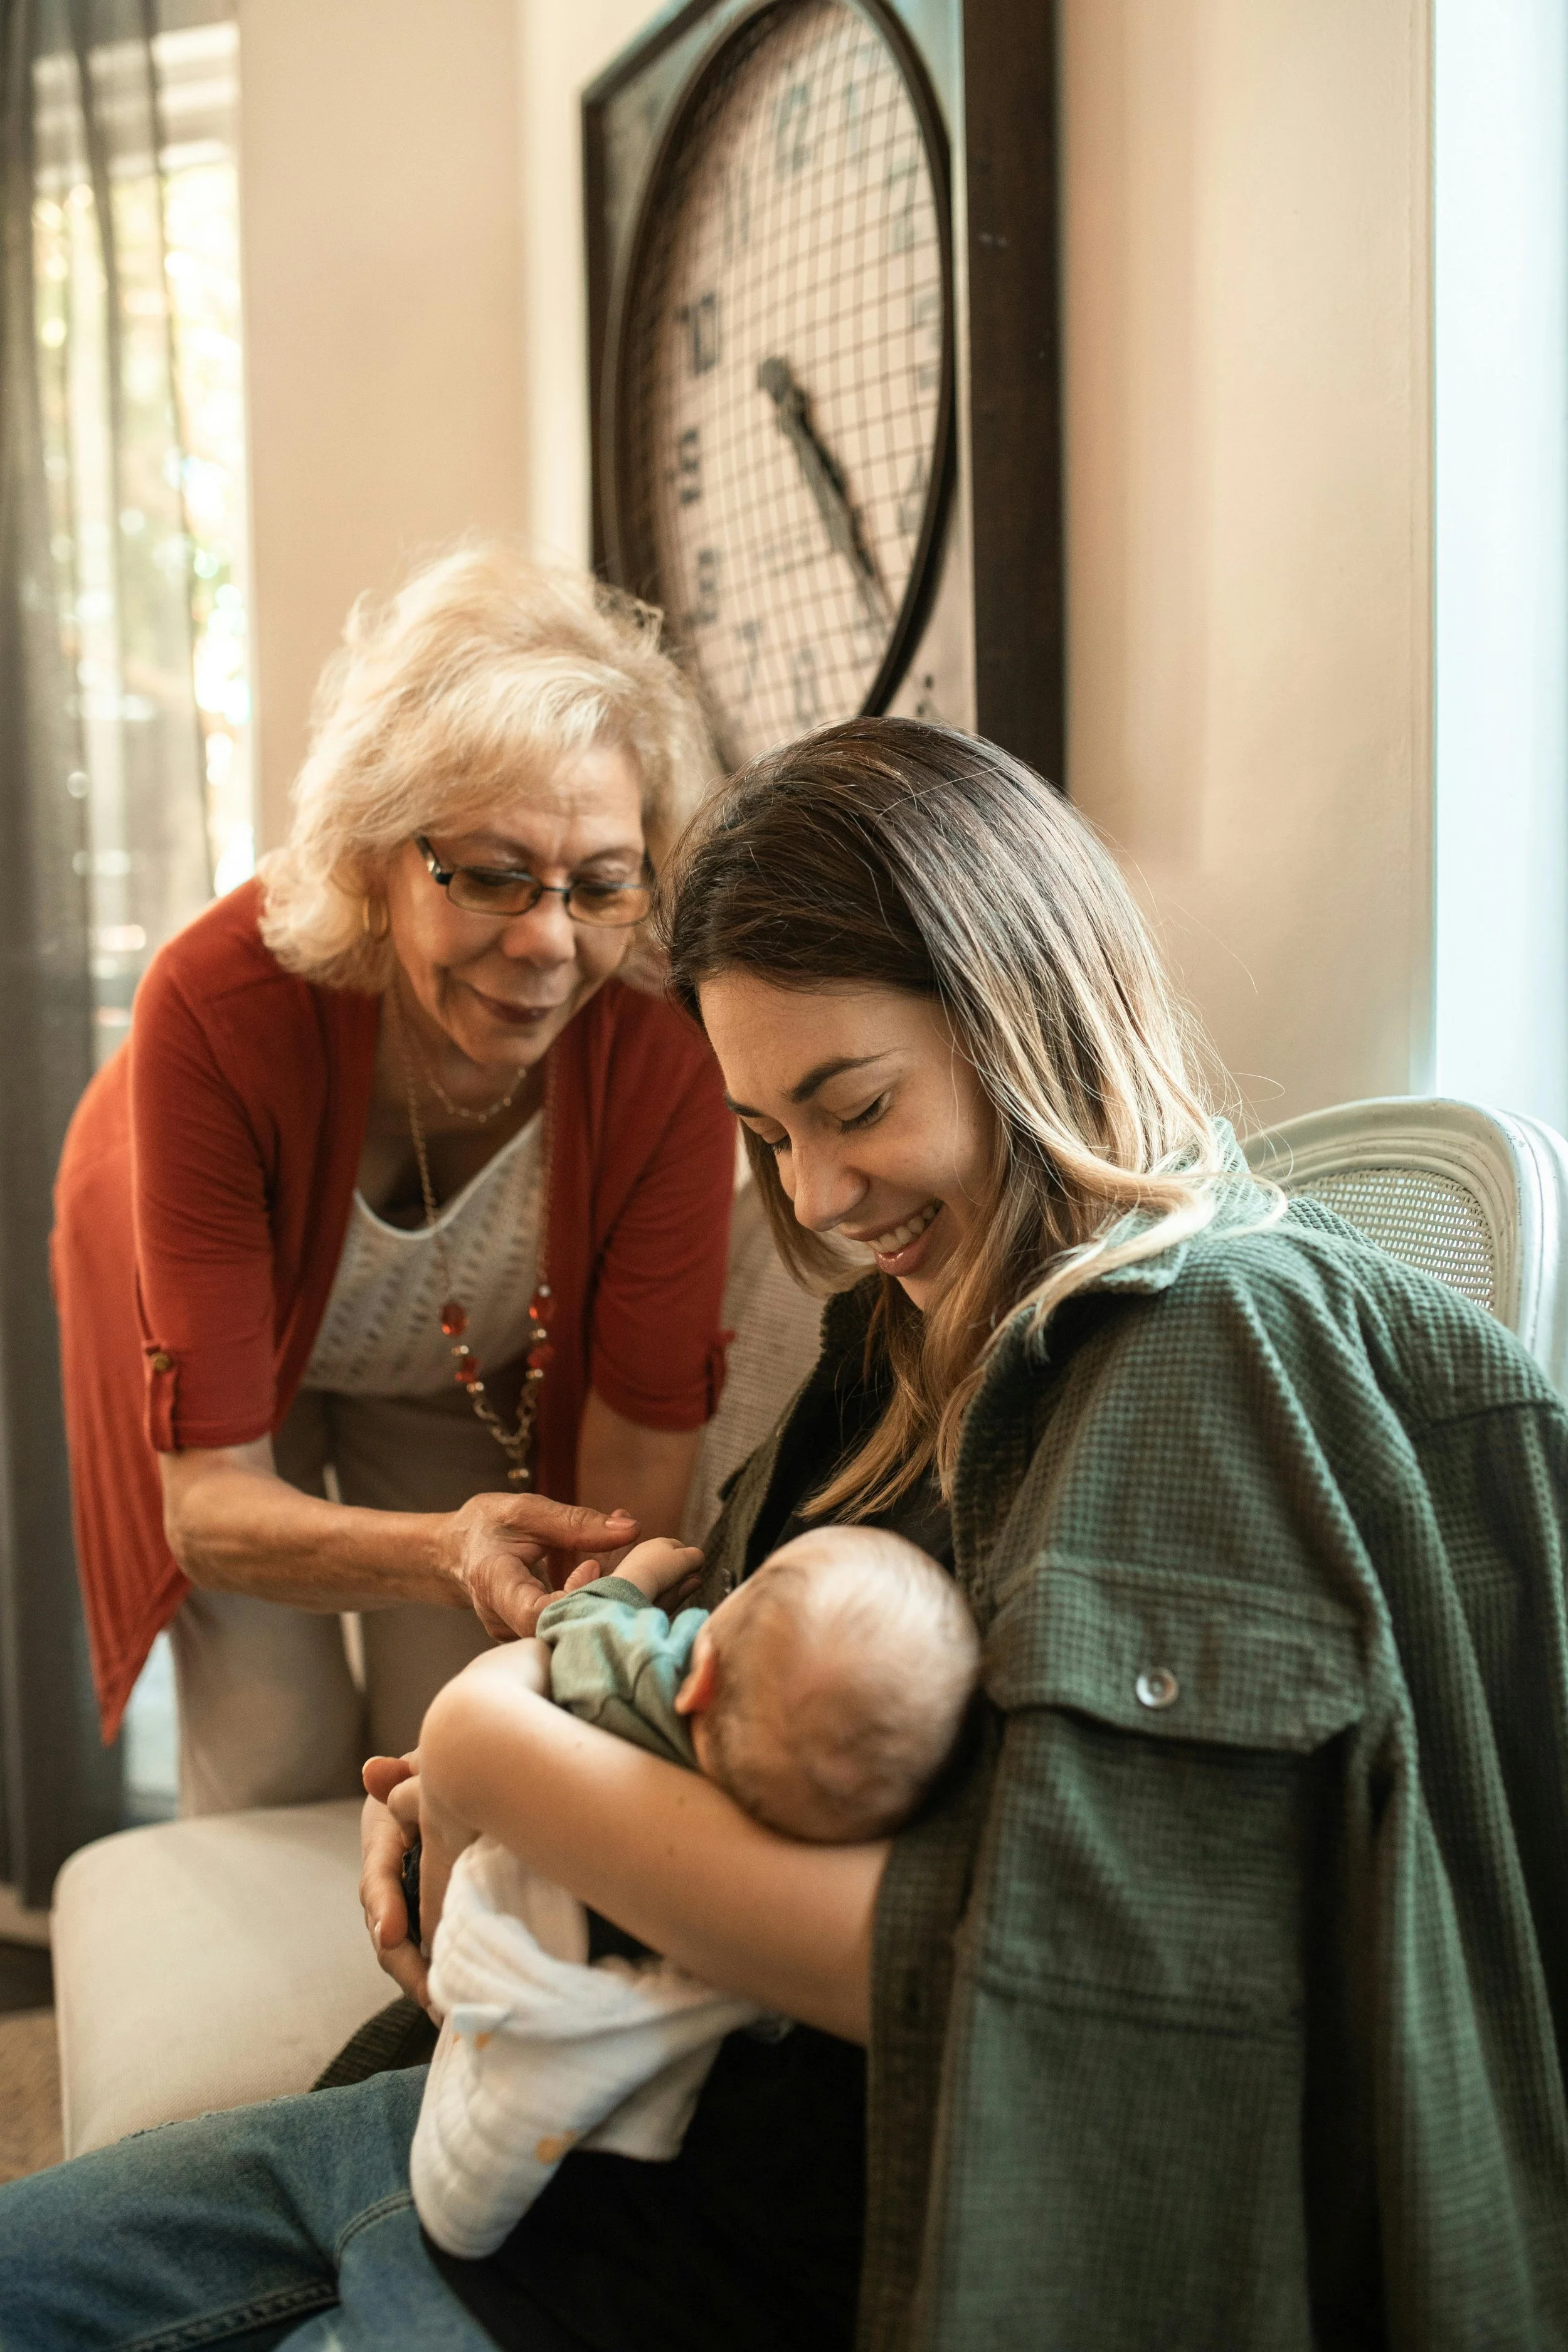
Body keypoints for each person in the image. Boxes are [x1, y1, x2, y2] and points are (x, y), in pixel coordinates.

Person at [8, 716, 1568, 2350]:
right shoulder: (896, 1342)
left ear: (1019, 1009)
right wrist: (487, 1817)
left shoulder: (1200, 1344)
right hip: (502, 2134)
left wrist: (483, 1743)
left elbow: (1012, 1972)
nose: (813, 1198)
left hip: (693, 2269)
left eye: (852, 1104)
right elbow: (691, 1661)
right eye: (765, 1131)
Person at [51, 543, 738, 1809]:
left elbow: (631, 1488)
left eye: (597, 883)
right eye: (488, 874)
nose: (545, 941)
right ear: (375, 855)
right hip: (217, 1336)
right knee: (274, 1742)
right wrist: (445, 1548)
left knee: (466, 1719)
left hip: (453, 1364)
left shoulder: (665, 1041)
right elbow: (211, 1506)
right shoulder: (215, 1005)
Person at [410, 1526, 980, 2259]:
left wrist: (638, 1578)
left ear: (702, 1673)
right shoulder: (837, 1824)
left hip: (534, 1918)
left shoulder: (651, 1675)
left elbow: (575, 1624)